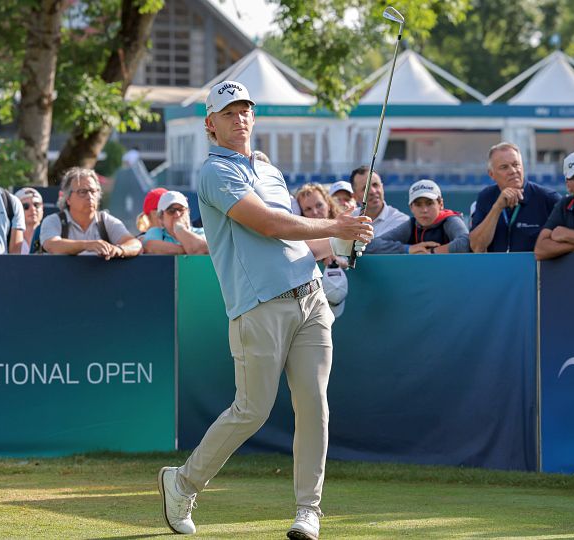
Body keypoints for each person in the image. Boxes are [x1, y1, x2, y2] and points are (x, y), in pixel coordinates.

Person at [158, 80, 373, 540]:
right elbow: (269, 224)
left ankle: (307, 512)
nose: (239, 118)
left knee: (314, 405)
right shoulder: (214, 172)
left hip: (310, 297)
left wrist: (340, 240)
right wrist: (337, 222)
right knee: (252, 410)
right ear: (210, 124)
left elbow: (296, 240)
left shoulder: (268, 168)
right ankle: (183, 482)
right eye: (228, 112)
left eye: (245, 110)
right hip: (258, 306)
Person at [469, 142, 561, 253]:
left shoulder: (548, 199)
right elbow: (477, 246)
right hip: (497, 269)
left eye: (516, 164)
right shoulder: (486, 197)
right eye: (504, 167)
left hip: (534, 269)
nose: (513, 171)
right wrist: (497, 208)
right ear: (491, 174)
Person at [38, 167, 141, 259]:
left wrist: (119, 250)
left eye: (93, 191)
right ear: (68, 198)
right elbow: (52, 245)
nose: (90, 197)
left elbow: (135, 244)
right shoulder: (53, 221)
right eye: (82, 192)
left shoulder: (105, 221)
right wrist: (87, 245)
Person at [367, 180, 470, 254]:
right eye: (418, 204)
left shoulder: (450, 220)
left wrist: (430, 252)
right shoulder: (412, 225)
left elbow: (466, 243)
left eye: (429, 203)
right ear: (411, 208)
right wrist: (408, 249)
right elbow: (371, 245)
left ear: (440, 204)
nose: (424, 210)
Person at [142, 191, 208, 255]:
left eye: (181, 209)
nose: (177, 214)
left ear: (188, 212)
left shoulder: (201, 231)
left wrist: (179, 229)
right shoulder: (156, 232)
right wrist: (188, 249)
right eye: (171, 211)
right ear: (161, 218)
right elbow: (150, 247)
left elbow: (201, 249)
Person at [350, 166, 408, 236]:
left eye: (375, 185)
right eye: (365, 188)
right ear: (355, 197)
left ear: (382, 187)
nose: (373, 191)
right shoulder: (348, 221)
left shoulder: (402, 222)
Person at [15, 187, 44, 254]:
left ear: (42, 209)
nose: (33, 209)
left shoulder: (51, 235)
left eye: (36, 205)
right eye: (26, 206)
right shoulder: (8, 238)